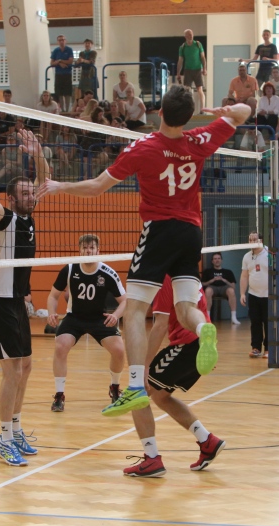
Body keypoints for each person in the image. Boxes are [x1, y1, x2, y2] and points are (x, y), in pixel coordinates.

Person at [37, 87, 250, 474]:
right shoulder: (200, 138)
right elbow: (244, 111)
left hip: (159, 230)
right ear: (188, 116)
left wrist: (60, 187)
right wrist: (224, 110)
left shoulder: (144, 146)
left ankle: (135, 383)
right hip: (192, 233)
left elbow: (97, 187)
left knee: (134, 311)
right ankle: (203, 328)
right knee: (185, 306)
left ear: (159, 113)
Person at [0, 132, 48, 466]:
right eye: (24, 193)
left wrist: (38, 153)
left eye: (30, 193)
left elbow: (45, 180)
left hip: (17, 301)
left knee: (26, 366)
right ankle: (4, 439)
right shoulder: (4, 219)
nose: (30, 196)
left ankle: (17, 430)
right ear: (12, 198)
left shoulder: (28, 219)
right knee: (12, 372)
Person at [123, 275, 225, 477]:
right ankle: (207, 441)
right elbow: (200, 312)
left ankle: (152, 459)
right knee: (161, 397)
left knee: (137, 393)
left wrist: (144, 365)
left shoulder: (165, 280)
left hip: (185, 345)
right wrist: (208, 348)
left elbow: (160, 325)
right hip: (198, 345)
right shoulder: (188, 275)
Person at [46, 234, 127, 412]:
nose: (88, 251)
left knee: (119, 350)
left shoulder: (107, 272)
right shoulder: (69, 269)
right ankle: (59, 395)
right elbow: (53, 296)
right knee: (60, 346)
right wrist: (51, 312)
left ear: (98, 250)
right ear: (79, 250)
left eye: (91, 248)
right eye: (85, 247)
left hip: (99, 318)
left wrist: (116, 316)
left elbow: (125, 301)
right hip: (74, 317)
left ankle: (114, 388)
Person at [240, 231, 270, 358]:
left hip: (269, 295)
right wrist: (242, 293)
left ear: (260, 241)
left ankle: (269, 349)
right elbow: (244, 276)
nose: (251, 242)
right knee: (255, 322)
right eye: (250, 240)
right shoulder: (247, 257)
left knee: (268, 322)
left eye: (254, 240)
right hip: (253, 294)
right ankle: (256, 348)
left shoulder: (270, 254)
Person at [201, 252, 239, 325]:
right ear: (212, 261)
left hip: (224, 288)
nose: (217, 260)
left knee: (231, 291)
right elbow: (202, 284)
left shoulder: (228, 272)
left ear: (221, 260)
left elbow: (233, 286)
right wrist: (212, 280)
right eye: (215, 259)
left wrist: (224, 280)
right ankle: (207, 317)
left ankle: (234, 317)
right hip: (212, 288)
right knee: (208, 291)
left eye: (219, 258)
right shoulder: (207, 271)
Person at [176, 29, 206, 111]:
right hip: (188, 70)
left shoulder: (198, 44)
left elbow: (203, 57)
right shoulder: (182, 47)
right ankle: (189, 109)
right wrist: (178, 73)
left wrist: (204, 69)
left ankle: (202, 109)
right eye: (189, 34)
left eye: (191, 34)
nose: (190, 36)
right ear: (185, 36)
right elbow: (180, 61)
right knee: (187, 90)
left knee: (200, 89)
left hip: (198, 69)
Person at [50, 35, 74, 113]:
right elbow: (52, 63)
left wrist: (59, 60)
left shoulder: (69, 50)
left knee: (67, 92)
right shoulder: (55, 50)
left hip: (67, 74)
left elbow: (70, 61)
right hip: (58, 74)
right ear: (57, 42)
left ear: (65, 41)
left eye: (63, 40)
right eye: (60, 40)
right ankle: (62, 109)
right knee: (59, 92)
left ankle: (67, 109)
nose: (61, 41)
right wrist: (59, 63)